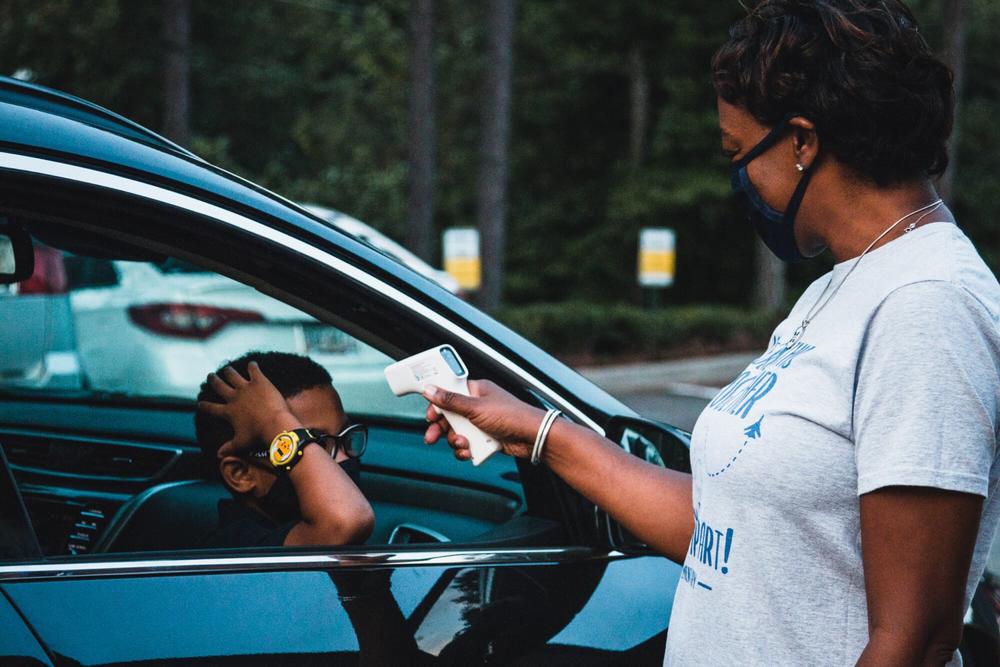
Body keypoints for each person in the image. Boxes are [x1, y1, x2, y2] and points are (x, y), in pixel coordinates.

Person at [421, 2, 1000, 665]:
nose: (738, 178)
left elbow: (913, 640)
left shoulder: (929, 306)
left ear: (802, 142)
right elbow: (731, 524)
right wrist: (538, 430)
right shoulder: (842, 286)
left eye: (739, 151)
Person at [195, 351, 374, 548]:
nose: (342, 457)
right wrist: (274, 418)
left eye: (345, 436)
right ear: (242, 474)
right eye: (316, 444)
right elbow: (346, 523)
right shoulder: (237, 544)